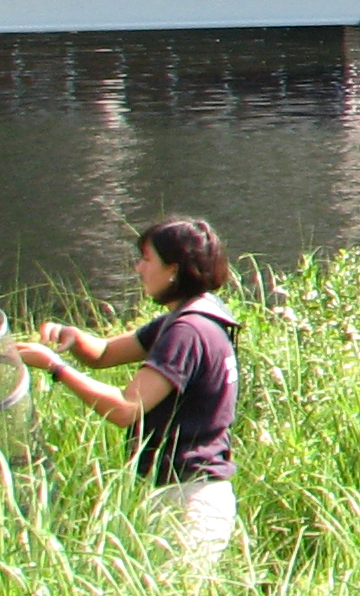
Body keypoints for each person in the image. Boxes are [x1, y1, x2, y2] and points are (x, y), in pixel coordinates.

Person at [12, 217, 241, 572]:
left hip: (189, 498)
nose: (138, 268)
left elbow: (125, 409)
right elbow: (103, 354)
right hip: (189, 492)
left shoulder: (186, 331)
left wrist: (55, 368)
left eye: (146, 259)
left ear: (173, 270)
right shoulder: (198, 315)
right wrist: (70, 337)